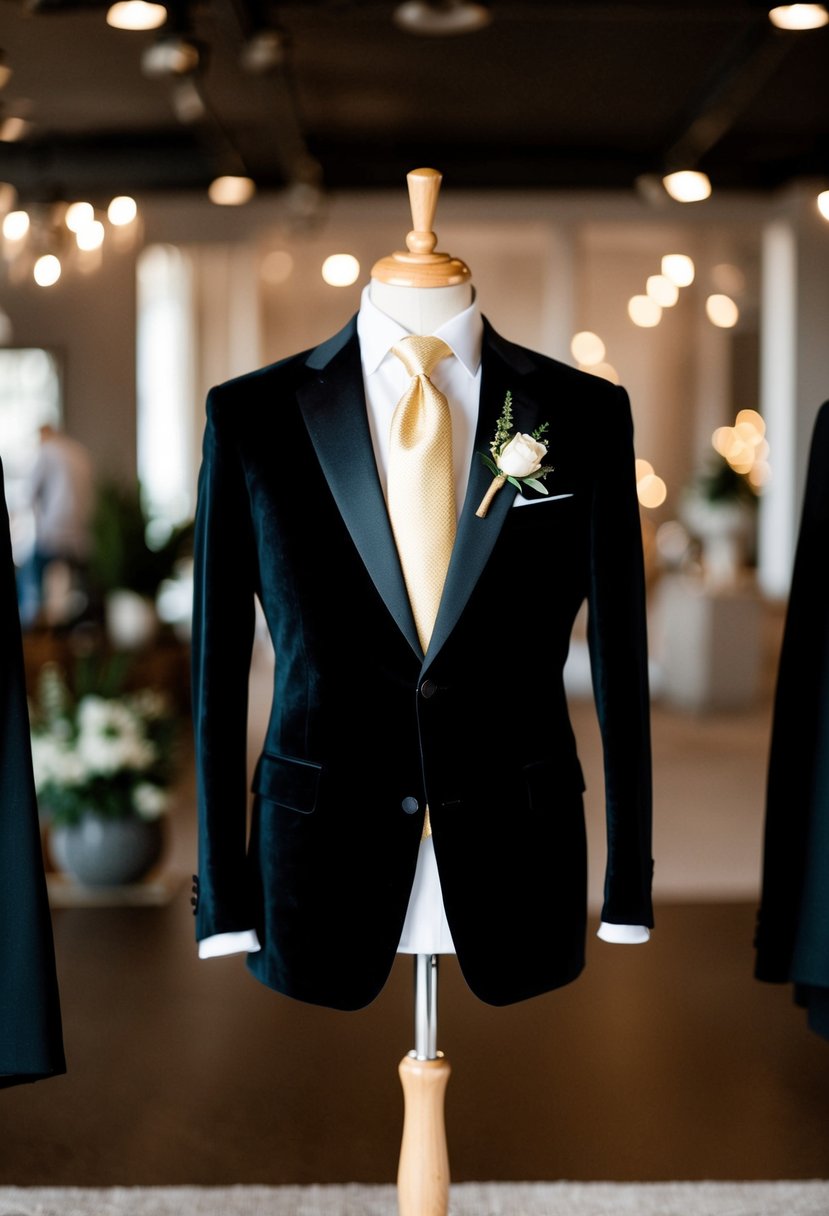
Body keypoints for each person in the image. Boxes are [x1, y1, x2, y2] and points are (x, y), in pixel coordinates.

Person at [16, 422, 94, 629]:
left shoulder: (47, 451)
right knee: (80, 583)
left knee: (29, 574)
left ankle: (32, 625)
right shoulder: (78, 452)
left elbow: (28, 493)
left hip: (55, 531)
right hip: (82, 534)